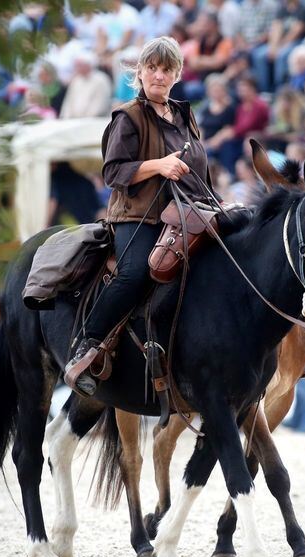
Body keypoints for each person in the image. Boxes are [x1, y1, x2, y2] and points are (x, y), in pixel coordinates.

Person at [64, 37, 221, 394]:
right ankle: (87, 345)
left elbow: (200, 169)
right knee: (135, 273)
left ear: (177, 74)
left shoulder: (184, 114)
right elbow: (113, 172)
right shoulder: (128, 116)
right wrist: (158, 166)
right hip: (139, 216)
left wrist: (218, 204)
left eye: (167, 69)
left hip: (188, 212)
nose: (159, 75)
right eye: (152, 68)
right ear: (140, 72)